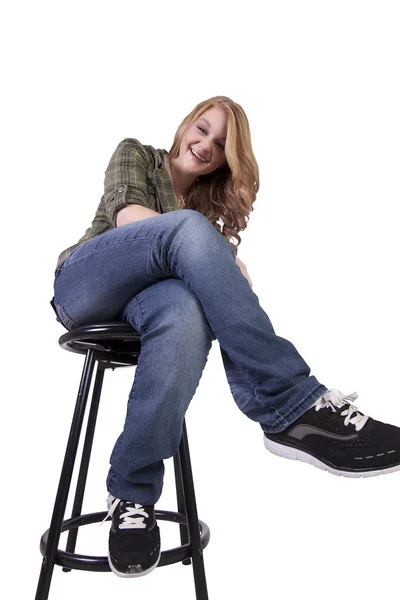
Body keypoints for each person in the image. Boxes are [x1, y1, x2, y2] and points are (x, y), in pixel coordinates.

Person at [50, 95, 400, 578]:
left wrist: (209, 253)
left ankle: (132, 498)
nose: (205, 145)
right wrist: (208, 246)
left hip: (148, 308)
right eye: (202, 129)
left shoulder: (201, 212)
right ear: (184, 126)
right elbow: (126, 214)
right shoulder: (138, 155)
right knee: (187, 234)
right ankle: (292, 404)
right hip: (88, 283)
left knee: (186, 315)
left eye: (220, 144)